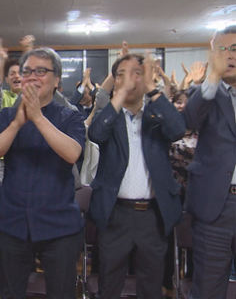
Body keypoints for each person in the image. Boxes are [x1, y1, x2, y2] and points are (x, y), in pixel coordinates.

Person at [0, 47, 85, 298]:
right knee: (10, 292)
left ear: (57, 80)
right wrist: (18, 123)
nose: (32, 77)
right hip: (13, 222)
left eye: (41, 71)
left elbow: (72, 153)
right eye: (27, 71)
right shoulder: (8, 115)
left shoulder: (69, 116)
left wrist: (37, 117)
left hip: (59, 224)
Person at [88, 53, 185, 298]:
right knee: (109, 283)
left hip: (152, 215)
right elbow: (96, 134)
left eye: (136, 73)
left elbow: (177, 130)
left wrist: (152, 88)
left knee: (151, 286)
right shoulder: (109, 116)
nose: (129, 79)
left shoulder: (157, 115)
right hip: (115, 213)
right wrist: (118, 95)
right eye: (121, 74)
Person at [184, 25, 236, 298]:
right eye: (222, 50)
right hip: (218, 204)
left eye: (235, 49)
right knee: (207, 287)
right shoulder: (207, 92)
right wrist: (212, 77)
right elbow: (189, 120)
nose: (229, 56)